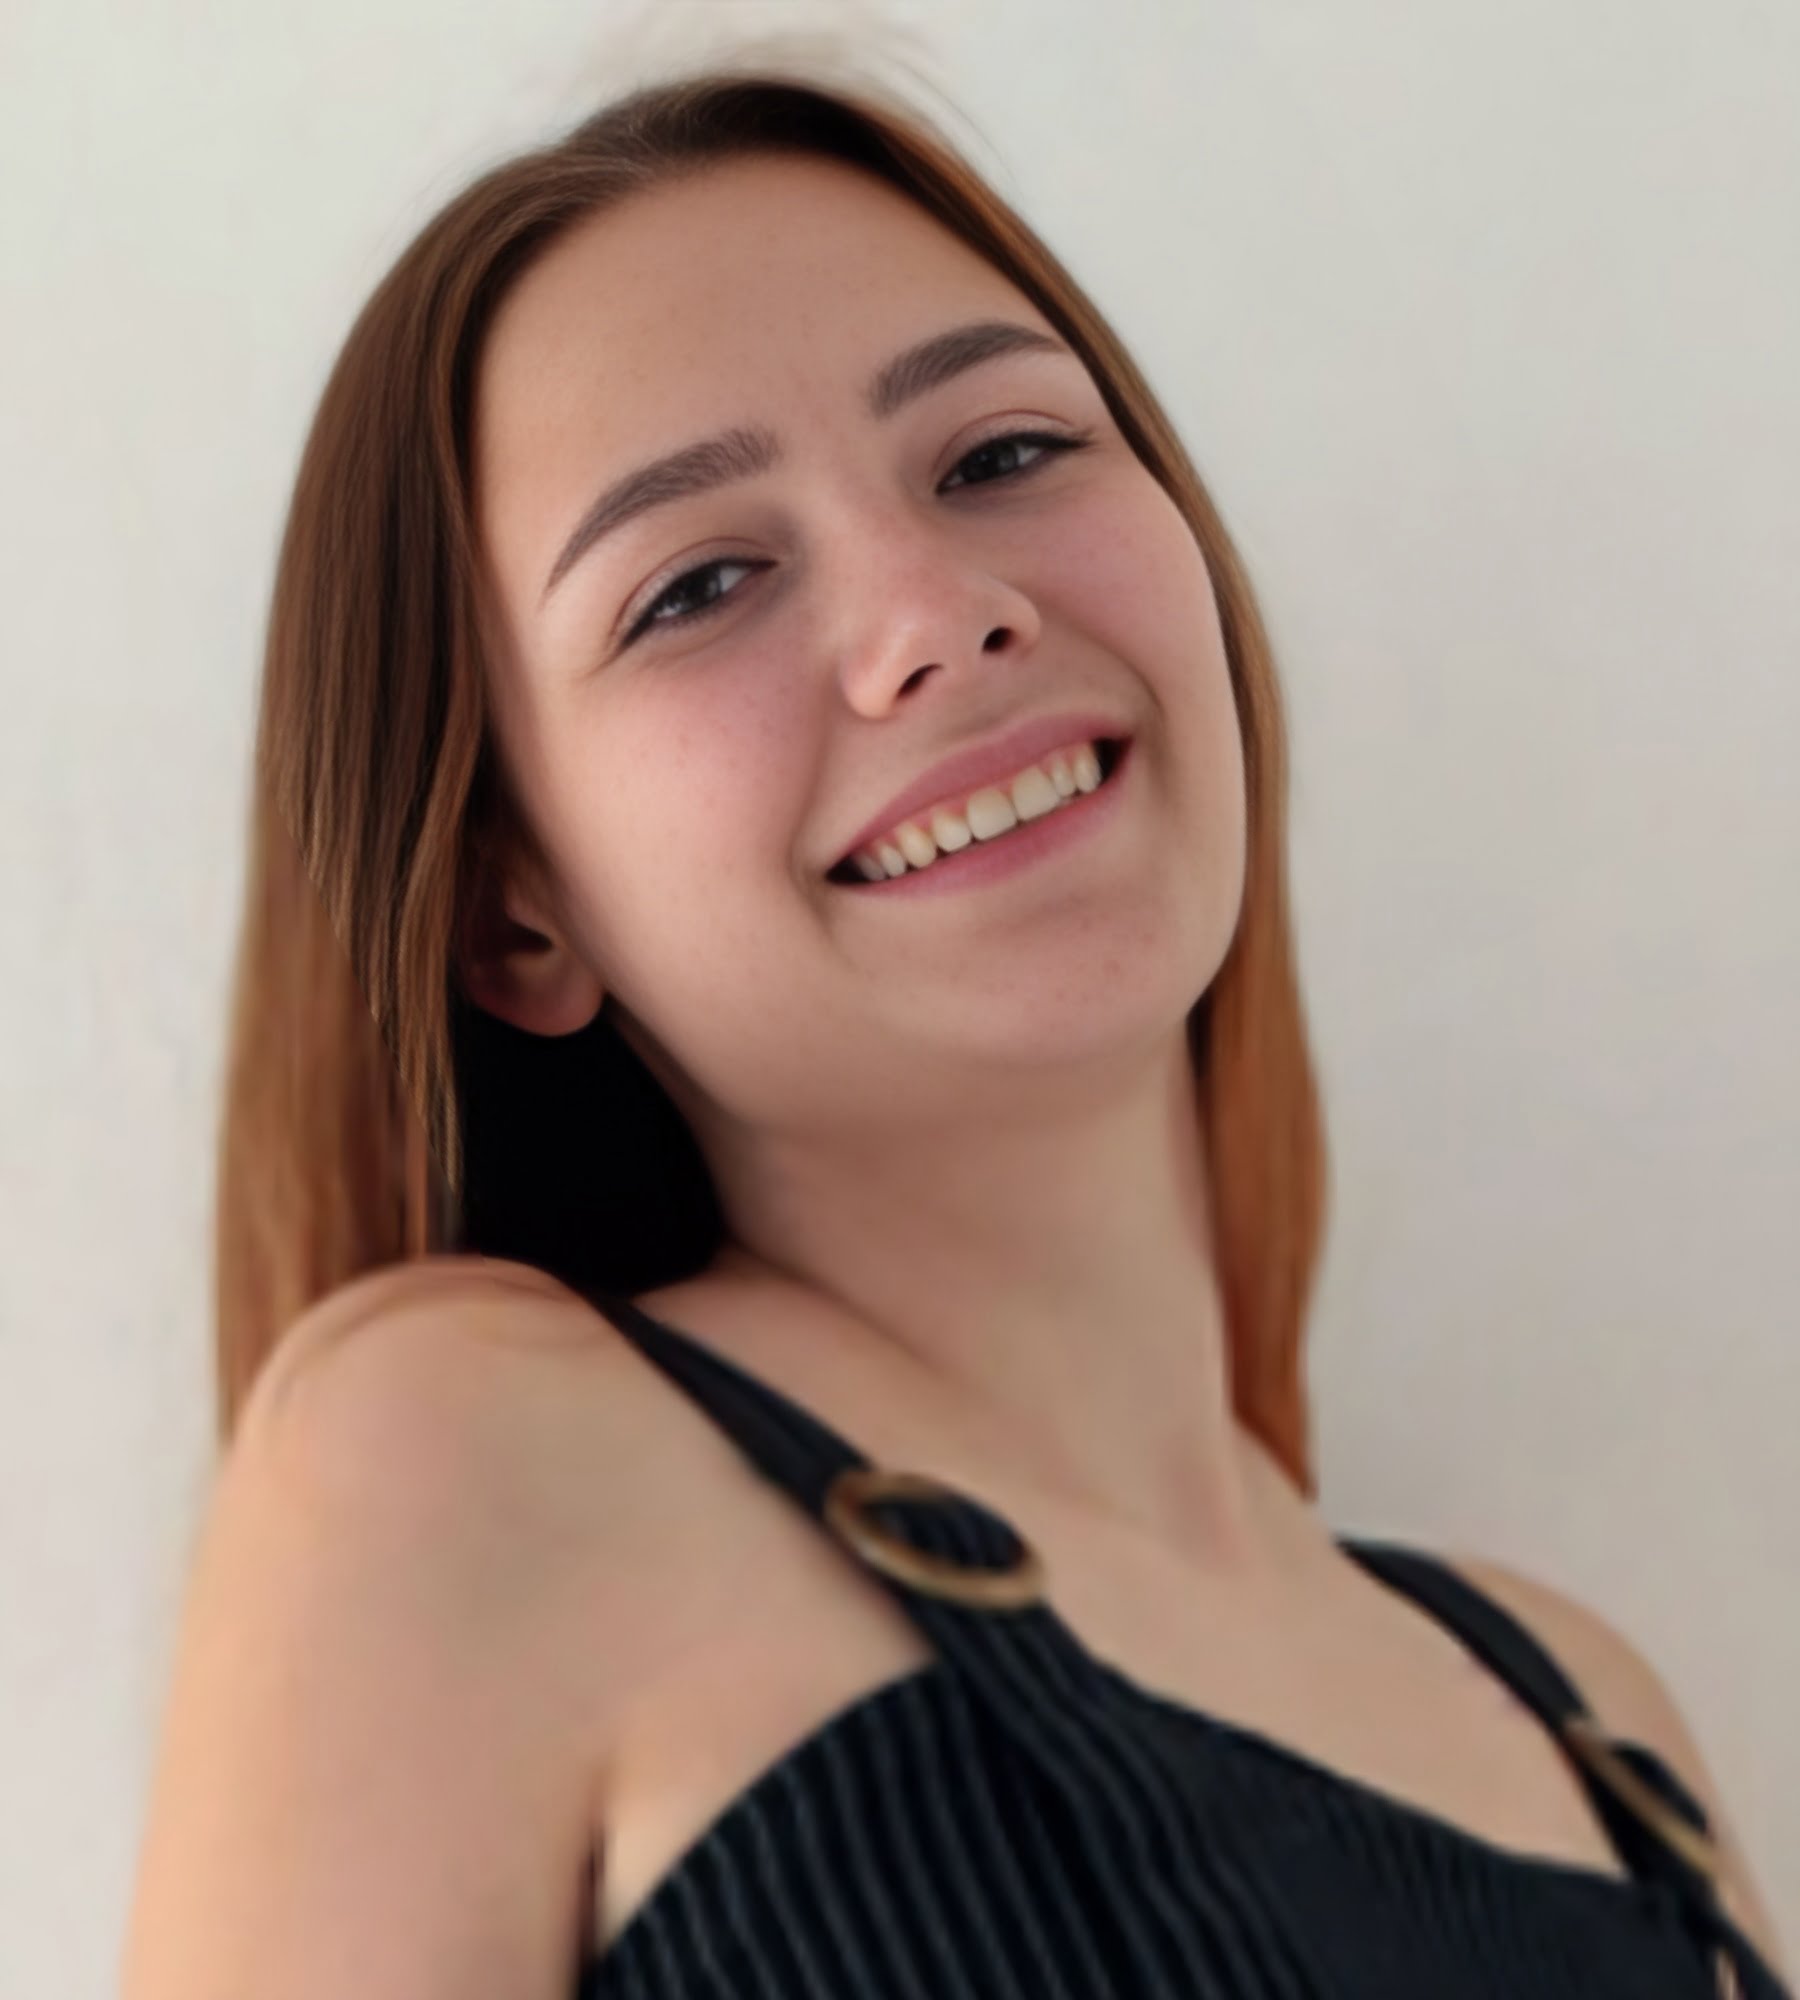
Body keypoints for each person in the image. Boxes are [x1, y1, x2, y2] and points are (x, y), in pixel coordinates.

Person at [121, 56, 1791, 2000]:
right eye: (701, 582)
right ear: (514, 912)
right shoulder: (462, 1455)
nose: (940, 608)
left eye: (1000, 454)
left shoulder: (1598, 1733)